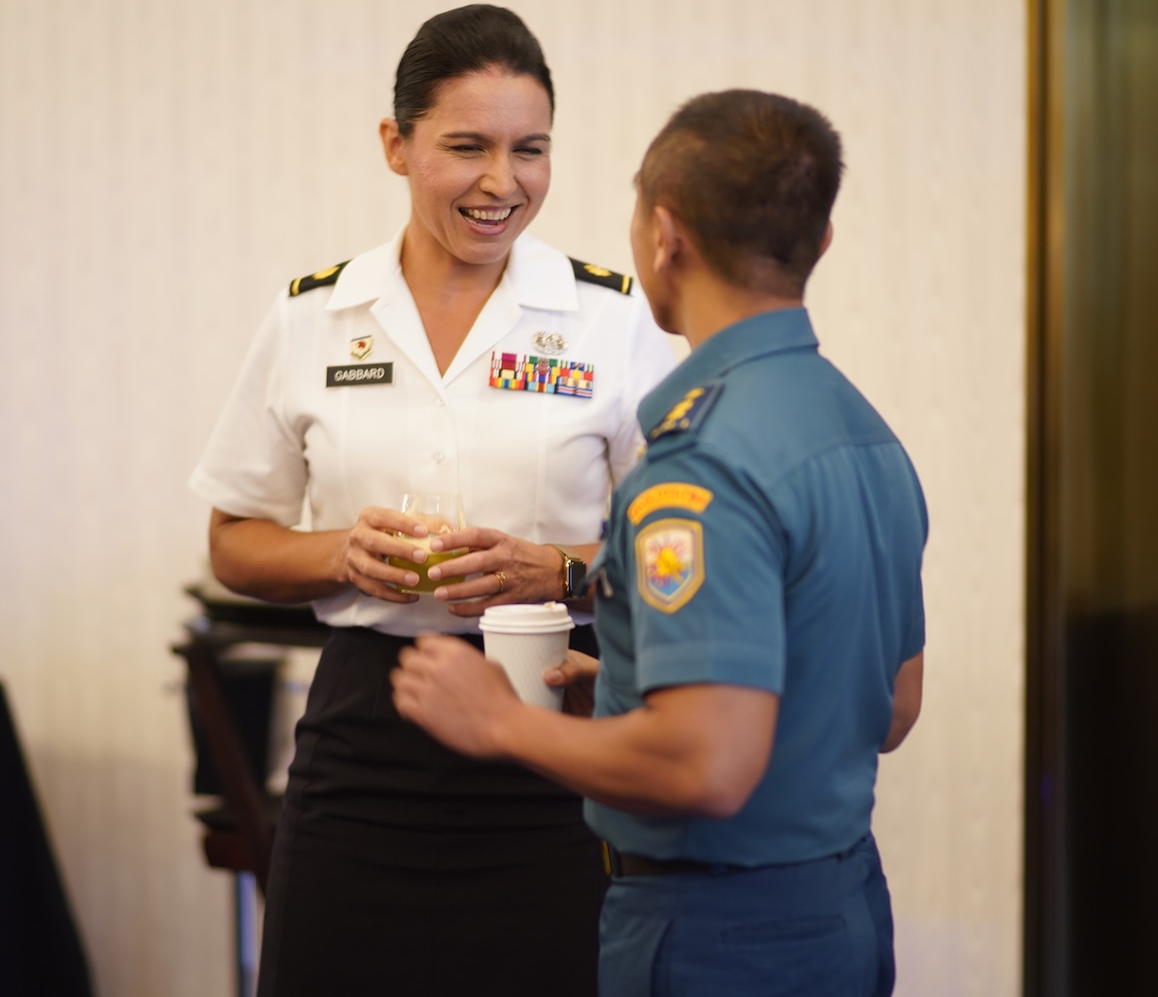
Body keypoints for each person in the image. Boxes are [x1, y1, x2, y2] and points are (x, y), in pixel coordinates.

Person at [392, 89, 928, 997]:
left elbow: (703, 766)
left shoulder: (698, 467)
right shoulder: (863, 431)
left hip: (719, 939)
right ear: (820, 242)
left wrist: (501, 721)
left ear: (663, 237)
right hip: (840, 910)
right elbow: (886, 709)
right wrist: (642, 687)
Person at [188, 4, 678, 996]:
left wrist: (568, 572)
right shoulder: (311, 317)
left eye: (528, 149)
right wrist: (339, 555)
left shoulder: (607, 318)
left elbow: (679, 545)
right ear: (396, 146)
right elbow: (232, 544)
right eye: (466, 147)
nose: (503, 182)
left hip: (552, 729)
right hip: (367, 727)